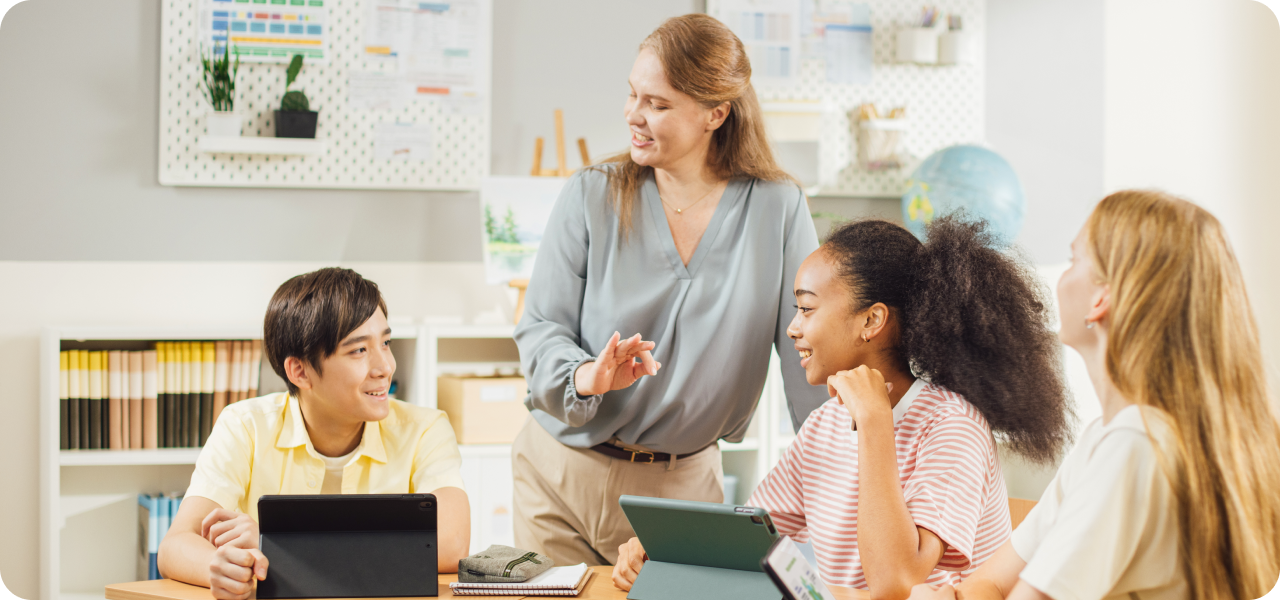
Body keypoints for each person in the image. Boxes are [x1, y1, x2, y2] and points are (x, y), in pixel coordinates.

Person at [614, 216, 1074, 598]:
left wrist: (875, 424)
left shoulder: (952, 426)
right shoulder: (825, 425)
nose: (793, 329)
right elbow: (750, 539)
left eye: (807, 309)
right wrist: (660, 549)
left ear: (871, 320)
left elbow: (897, 582)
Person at [512, 13, 828, 566]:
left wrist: (841, 474)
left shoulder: (777, 207)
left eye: (657, 104)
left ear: (716, 113)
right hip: (559, 472)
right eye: (633, 95)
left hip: (681, 489)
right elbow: (542, 327)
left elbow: (809, 352)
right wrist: (587, 376)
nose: (634, 116)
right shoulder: (592, 195)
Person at [906, 191, 1280, 600]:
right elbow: (992, 582)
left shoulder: (1137, 443)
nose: (1062, 279)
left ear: (1101, 298)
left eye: (1073, 261)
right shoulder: (1106, 438)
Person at [157, 267, 471, 600]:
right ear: (300, 371)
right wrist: (221, 567)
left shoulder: (424, 428)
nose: (385, 367)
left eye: (386, 343)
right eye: (359, 351)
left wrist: (273, 545)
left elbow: (450, 545)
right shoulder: (244, 425)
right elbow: (176, 545)